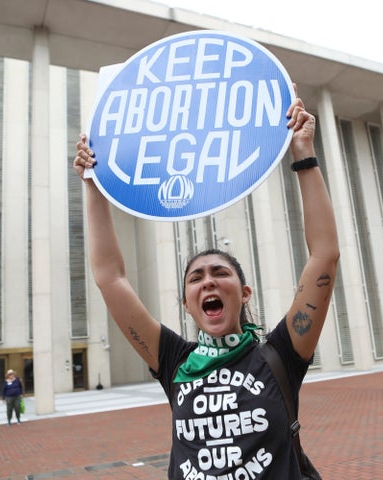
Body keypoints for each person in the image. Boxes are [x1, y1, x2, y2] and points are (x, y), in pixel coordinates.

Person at [73, 91, 339, 479]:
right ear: (186, 303)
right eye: (195, 278)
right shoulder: (173, 361)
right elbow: (110, 278)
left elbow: (324, 256)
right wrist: (94, 185)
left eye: (220, 273)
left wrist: (303, 153)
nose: (208, 281)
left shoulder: (281, 353)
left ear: (244, 293)